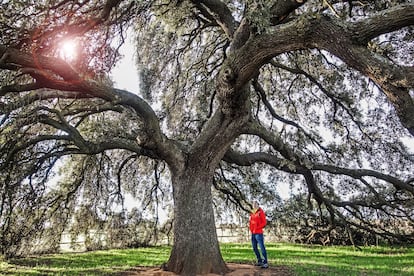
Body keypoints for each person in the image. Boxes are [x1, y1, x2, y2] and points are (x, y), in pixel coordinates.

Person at [249, 201, 268, 268]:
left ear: (258, 205)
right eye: (253, 204)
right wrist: (251, 229)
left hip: (259, 233)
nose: (254, 205)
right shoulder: (252, 212)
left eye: (255, 204)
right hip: (253, 233)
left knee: (262, 247)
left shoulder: (260, 212)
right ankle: (259, 261)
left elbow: (264, 222)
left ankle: (265, 263)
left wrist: (257, 227)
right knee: (254, 248)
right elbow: (251, 222)